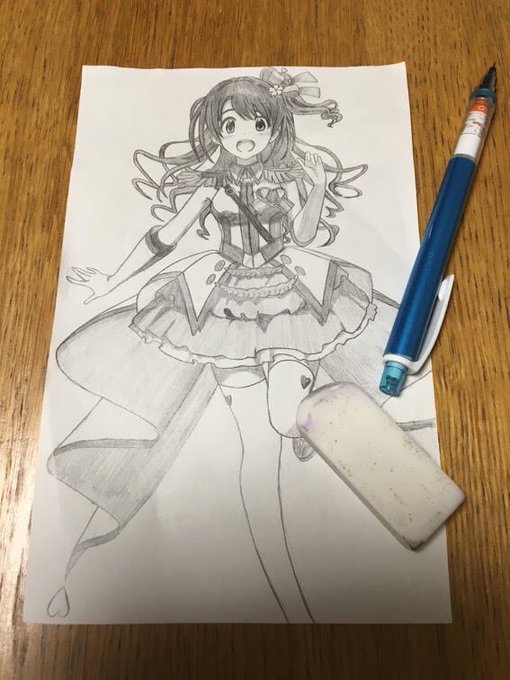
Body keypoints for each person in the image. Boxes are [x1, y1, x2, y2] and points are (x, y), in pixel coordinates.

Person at [50, 67, 392, 622]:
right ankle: (289, 602)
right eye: (230, 125)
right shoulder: (210, 185)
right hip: (223, 301)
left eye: (256, 124)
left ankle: (306, 431)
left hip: (289, 293)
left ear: (273, 126)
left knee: (284, 416)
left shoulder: (288, 177)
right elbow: (164, 239)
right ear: (215, 130)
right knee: (255, 454)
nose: (243, 135)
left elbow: (304, 235)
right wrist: (110, 283)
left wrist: (317, 186)